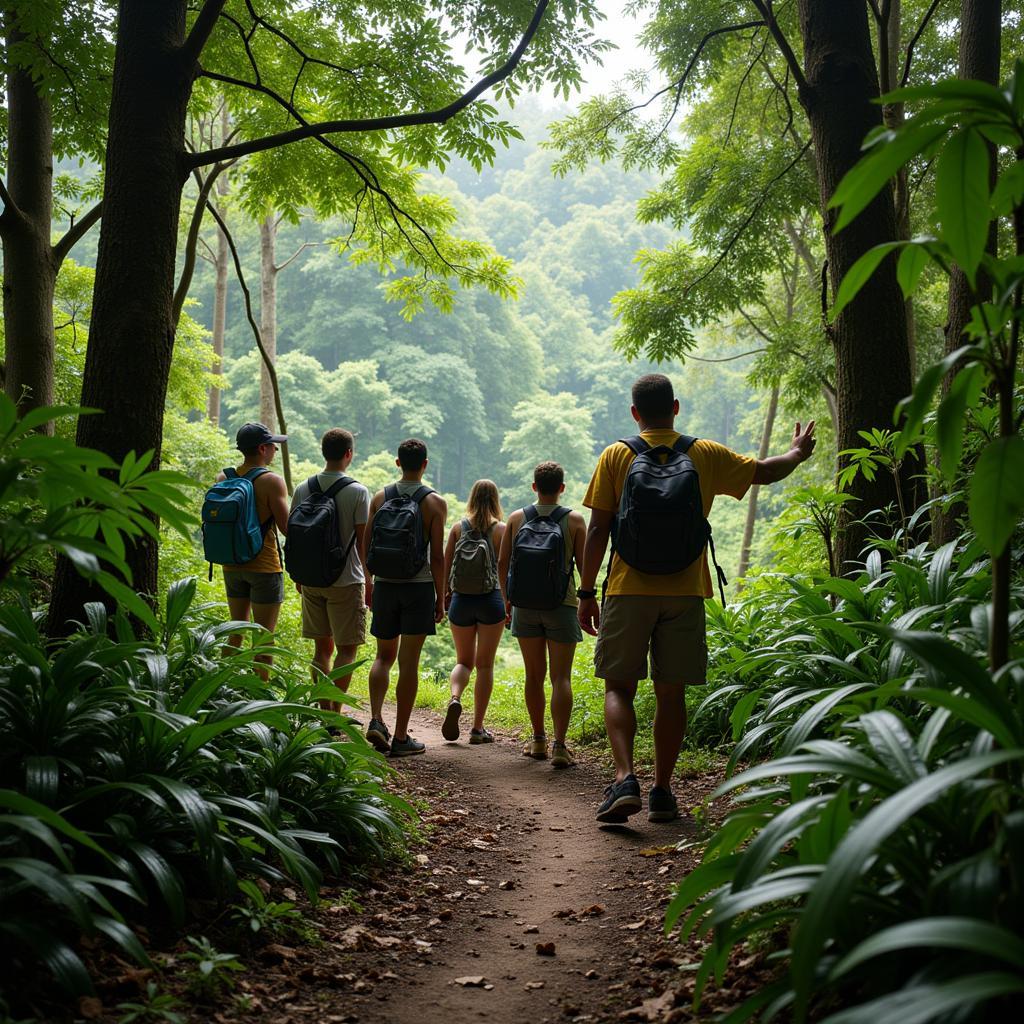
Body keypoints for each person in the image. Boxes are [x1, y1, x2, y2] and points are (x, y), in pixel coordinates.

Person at [577, 373, 816, 824]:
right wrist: (798, 453)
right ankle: (662, 793)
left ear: (635, 414)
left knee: (619, 687)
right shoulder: (702, 453)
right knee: (672, 693)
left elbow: (597, 530)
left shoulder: (616, 455)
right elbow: (764, 471)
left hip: (628, 589)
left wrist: (586, 593)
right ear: (676, 407)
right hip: (686, 589)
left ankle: (624, 778)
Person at [497, 461, 586, 769]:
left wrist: (508, 600)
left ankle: (538, 741)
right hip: (562, 606)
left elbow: (503, 562)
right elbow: (585, 569)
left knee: (534, 676)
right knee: (561, 677)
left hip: (524, 605)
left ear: (534, 486)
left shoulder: (516, 518)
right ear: (561, 488)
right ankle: (560, 747)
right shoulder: (574, 521)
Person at [361, 439, 447, 757]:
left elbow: (366, 544)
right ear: (424, 464)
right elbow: (436, 556)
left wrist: (369, 583)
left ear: (398, 463)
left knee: (383, 656)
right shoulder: (434, 503)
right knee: (408, 662)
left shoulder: (380, 496)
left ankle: (374, 719)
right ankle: (400, 737)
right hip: (418, 586)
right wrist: (440, 597)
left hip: (385, 585)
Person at [288, 428, 369, 715]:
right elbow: (362, 544)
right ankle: (334, 712)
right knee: (347, 649)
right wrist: (368, 583)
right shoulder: (358, 492)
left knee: (321, 649)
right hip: (346, 581)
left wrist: (299, 575)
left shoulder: (303, 488)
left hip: (310, 579)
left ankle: (323, 711)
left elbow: (294, 536)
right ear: (348, 454)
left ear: (324, 452)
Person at [218, 422, 290, 679]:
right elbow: (286, 528)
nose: (274, 451)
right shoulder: (272, 481)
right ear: (262, 448)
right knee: (263, 636)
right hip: (264, 567)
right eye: (273, 446)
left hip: (231, 563)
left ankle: (220, 686)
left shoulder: (223, 477)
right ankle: (259, 698)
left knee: (235, 633)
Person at [441, 480, 507, 745]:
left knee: (463, 661)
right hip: (491, 600)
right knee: (485, 664)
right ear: (495, 499)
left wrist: (445, 596)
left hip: (461, 601)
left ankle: (455, 697)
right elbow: (506, 569)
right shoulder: (501, 529)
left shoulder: (458, 527)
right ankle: (477, 728)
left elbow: (446, 565)